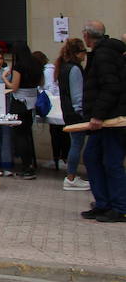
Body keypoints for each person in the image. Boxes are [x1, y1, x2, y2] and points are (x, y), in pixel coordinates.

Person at [78, 21, 126, 223]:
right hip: (103, 118)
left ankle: (120, 207)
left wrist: (98, 115)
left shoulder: (104, 55)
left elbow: (111, 87)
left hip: (110, 119)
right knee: (92, 157)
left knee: (112, 162)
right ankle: (103, 203)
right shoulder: (102, 53)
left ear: (87, 36)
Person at [56, 39, 90, 191]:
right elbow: (77, 94)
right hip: (75, 113)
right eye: (83, 52)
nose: (85, 55)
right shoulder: (74, 69)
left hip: (67, 111)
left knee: (75, 143)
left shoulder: (63, 67)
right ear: (77, 53)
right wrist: (81, 112)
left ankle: (71, 176)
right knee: (77, 144)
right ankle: (70, 177)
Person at [6, 41, 42, 179]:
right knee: (27, 134)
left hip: (19, 102)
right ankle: (30, 165)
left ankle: (26, 166)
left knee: (19, 135)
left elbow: (14, 87)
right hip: (31, 101)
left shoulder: (19, 66)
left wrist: (5, 78)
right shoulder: (36, 64)